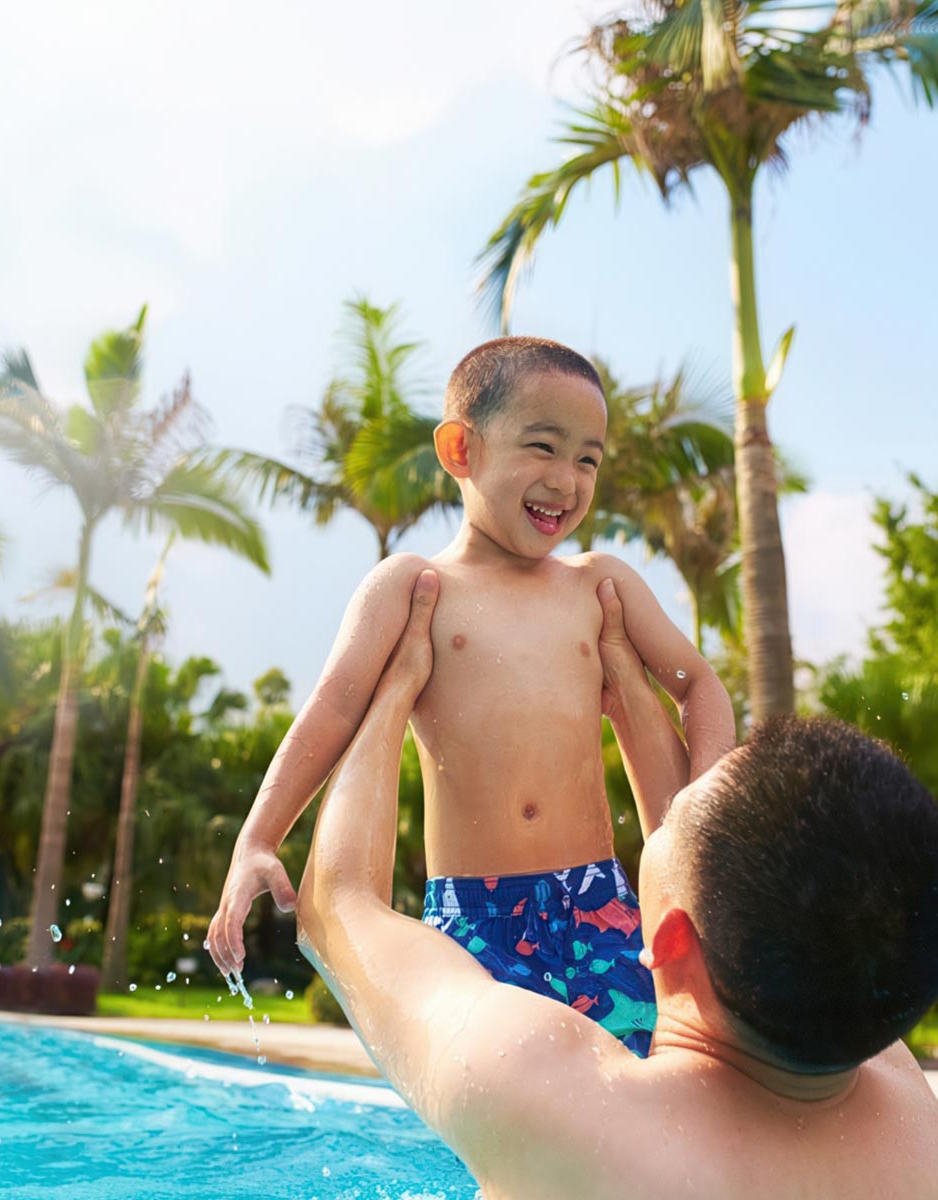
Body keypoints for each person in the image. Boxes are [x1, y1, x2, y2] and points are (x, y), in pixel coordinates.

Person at [295, 570, 938, 1200]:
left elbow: (337, 903)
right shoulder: (911, 1110)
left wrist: (394, 690)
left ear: (674, 942)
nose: (667, 808)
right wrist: (630, 686)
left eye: (672, 823)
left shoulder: (572, 1111)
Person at [209, 336, 735, 1051]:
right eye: (543, 447)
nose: (568, 479)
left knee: (644, 1084)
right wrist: (257, 839)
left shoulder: (596, 584)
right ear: (461, 449)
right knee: (499, 1103)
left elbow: (698, 684)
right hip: (474, 915)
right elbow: (332, 709)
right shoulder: (414, 586)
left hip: (598, 904)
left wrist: (708, 818)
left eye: (588, 458)